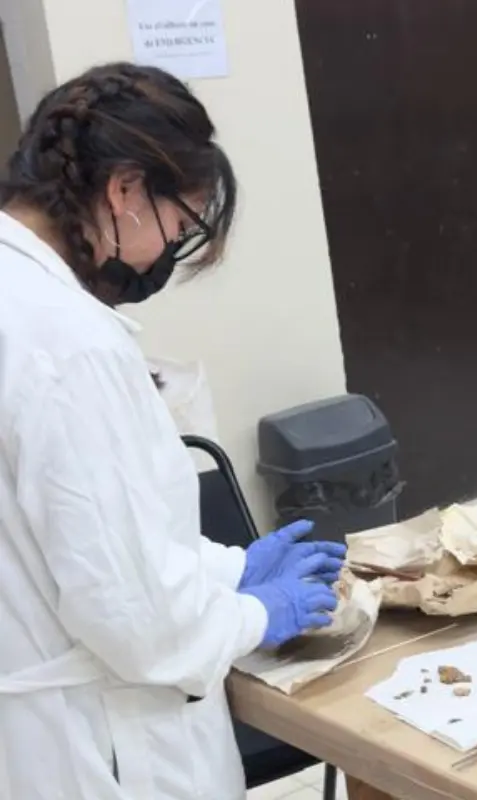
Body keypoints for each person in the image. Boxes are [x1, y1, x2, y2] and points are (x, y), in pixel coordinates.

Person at [0, 63, 347, 799]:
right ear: (124, 191)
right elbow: (132, 619)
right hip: (100, 747)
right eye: (180, 225)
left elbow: (74, 538)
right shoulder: (69, 345)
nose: (167, 255)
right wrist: (257, 611)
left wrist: (225, 569)